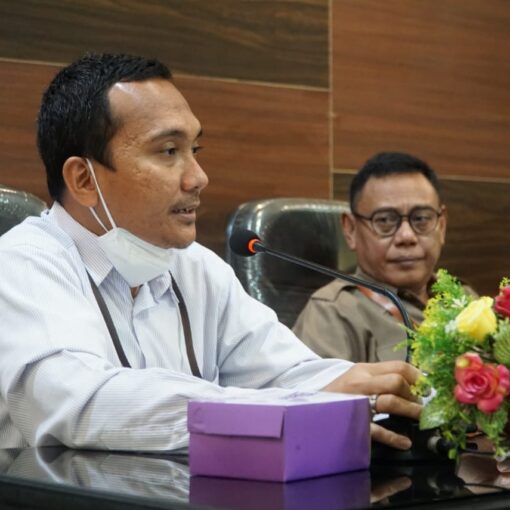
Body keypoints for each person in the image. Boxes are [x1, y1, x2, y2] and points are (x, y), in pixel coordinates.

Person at [0, 54, 420, 453]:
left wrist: (376, 389)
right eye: (169, 151)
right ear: (83, 179)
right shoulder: (23, 264)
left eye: (194, 151)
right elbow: (80, 403)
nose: (198, 177)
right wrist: (285, 409)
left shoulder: (196, 266)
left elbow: (286, 373)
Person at [294, 152, 452, 362]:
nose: (407, 236)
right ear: (350, 230)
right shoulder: (331, 314)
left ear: (441, 226)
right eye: (385, 220)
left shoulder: (461, 298)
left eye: (421, 219)